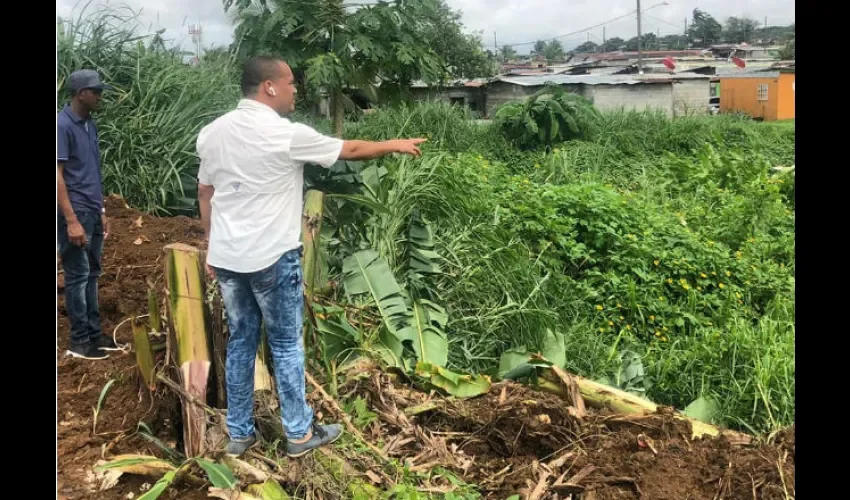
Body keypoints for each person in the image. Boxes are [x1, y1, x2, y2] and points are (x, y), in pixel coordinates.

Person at [196, 56, 426, 458]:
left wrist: (212, 244)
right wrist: (395, 144)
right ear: (269, 87)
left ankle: (239, 434)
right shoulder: (284, 134)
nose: (295, 89)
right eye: (290, 82)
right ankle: (299, 435)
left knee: (240, 342)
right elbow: (349, 149)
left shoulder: (212, 133)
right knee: (285, 345)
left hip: (228, 258)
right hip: (271, 256)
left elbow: (205, 192)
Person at [57, 69, 119, 360]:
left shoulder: (89, 125)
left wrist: (102, 208)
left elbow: (91, 170)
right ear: (81, 93)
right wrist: (71, 220)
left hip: (92, 209)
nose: (99, 96)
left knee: (92, 273)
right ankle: (79, 341)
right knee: (77, 275)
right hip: (75, 211)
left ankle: (95, 334)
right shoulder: (62, 126)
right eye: (96, 91)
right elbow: (58, 175)